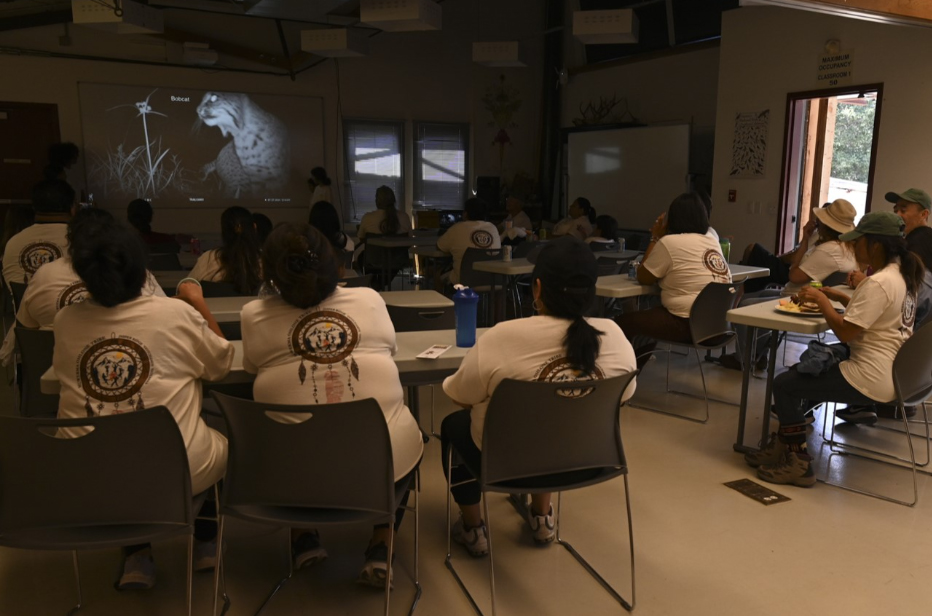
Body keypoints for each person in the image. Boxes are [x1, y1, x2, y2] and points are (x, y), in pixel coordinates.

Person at [52, 213, 232, 589]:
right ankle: (205, 540)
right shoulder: (175, 314)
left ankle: (137, 555)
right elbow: (221, 365)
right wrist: (197, 306)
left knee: (117, 440)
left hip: (85, 477)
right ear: (141, 267)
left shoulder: (66, 320)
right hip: (176, 472)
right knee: (212, 430)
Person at [240, 223, 423, 586]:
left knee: (292, 430)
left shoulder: (252, 315)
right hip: (377, 467)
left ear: (271, 274)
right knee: (405, 433)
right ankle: (381, 545)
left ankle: (303, 536)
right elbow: (391, 349)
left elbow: (250, 367)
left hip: (290, 475)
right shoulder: (370, 299)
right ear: (335, 264)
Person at [440, 237, 637, 555]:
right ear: (592, 289)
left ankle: (473, 528)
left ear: (537, 287)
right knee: (556, 425)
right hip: (588, 462)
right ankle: (542, 517)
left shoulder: (503, 336)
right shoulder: (614, 336)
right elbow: (623, 397)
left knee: (454, 425)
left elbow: (459, 397)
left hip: (506, 463)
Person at [745, 212, 923, 486]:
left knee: (785, 385)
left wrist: (820, 300)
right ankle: (783, 446)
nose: (853, 247)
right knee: (807, 370)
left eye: (858, 242)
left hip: (870, 378)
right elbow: (876, 318)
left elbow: (845, 331)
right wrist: (837, 296)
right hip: (893, 374)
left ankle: (797, 462)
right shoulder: (902, 276)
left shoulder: (879, 282)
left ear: (874, 246)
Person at [720, 199, 858, 370]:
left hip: (799, 301)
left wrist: (805, 243)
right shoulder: (846, 248)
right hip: (799, 296)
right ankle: (758, 354)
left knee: (744, 306)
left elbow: (794, 275)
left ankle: (744, 359)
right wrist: (806, 239)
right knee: (757, 296)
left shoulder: (828, 250)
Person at [614, 192, 732, 367]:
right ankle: (632, 371)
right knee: (648, 319)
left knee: (622, 323)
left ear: (673, 219)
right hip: (719, 327)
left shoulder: (669, 242)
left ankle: (622, 377)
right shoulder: (712, 241)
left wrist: (655, 237)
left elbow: (644, 277)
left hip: (687, 325)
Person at [2, 179, 73, 285]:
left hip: (23, 301)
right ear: (73, 208)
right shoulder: (81, 240)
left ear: (34, 207)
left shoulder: (13, 243)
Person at [188, 206, 262, 295]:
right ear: (254, 227)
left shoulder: (208, 258)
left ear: (223, 231)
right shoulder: (267, 260)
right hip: (257, 309)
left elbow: (186, 289)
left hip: (210, 309)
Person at [436, 197, 501, 285]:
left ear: (465, 214)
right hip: (492, 280)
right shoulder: (493, 228)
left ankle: (440, 298)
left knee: (437, 273)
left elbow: (440, 246)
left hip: (463, 279)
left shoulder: (457, 228)